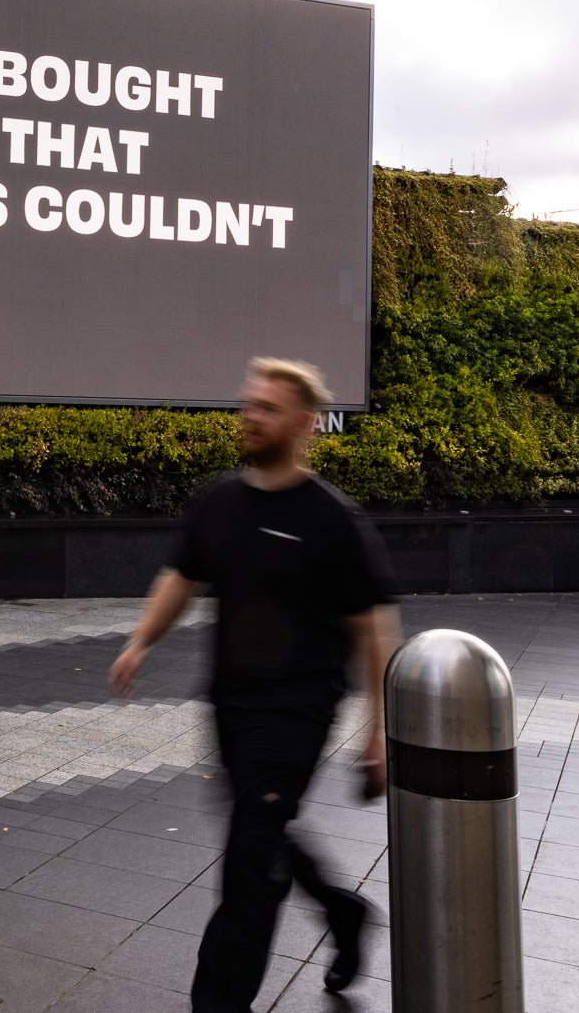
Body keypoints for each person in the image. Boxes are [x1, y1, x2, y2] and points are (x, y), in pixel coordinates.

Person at [108, 358, 397, 1012]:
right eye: (249, 403)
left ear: (303, 423)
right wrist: (140, 639)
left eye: (267, 407)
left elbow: (374, 626)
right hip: (231, 703)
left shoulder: (332, 519)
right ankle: (342, 911)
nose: (251, 415)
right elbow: (182, 576)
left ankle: (217, 1002)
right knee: (259, 833)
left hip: (296, 711)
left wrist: (377, 731)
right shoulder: (221, 500)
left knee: (249, 863)